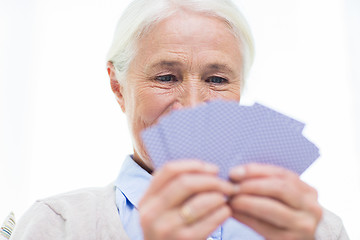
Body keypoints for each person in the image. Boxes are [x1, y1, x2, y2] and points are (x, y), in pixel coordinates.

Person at [11, 0, 349, 239]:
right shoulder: (59, 226)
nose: (191, 107)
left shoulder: (318, 231)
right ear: (117, 86)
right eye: (166, 77)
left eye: (217, 80)